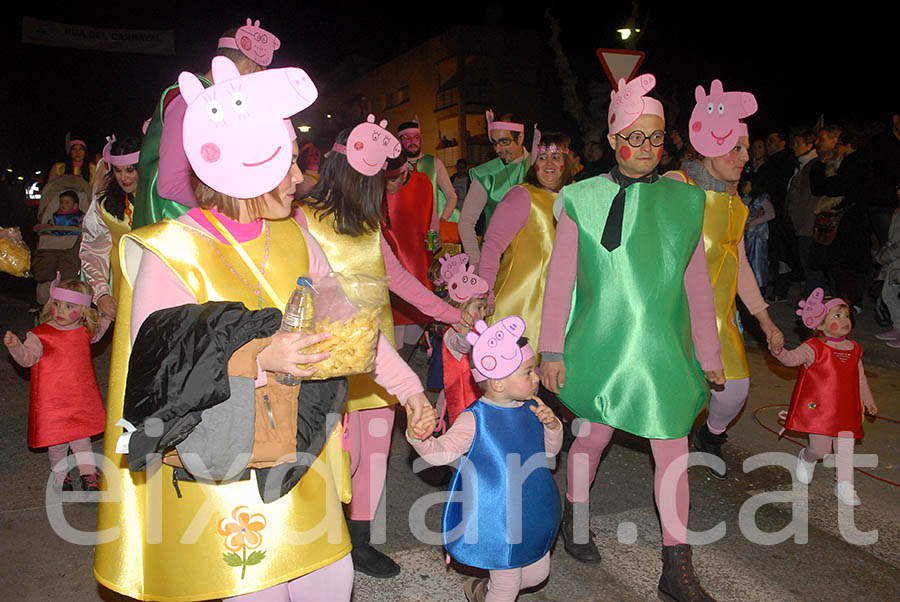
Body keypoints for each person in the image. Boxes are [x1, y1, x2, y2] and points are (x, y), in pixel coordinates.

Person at [93, 56, 428, 602]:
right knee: (258, 591)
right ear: (245, 166)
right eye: (289, 163)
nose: (301, 177)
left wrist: (410, 390)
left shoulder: (297, 237)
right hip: (225, 463)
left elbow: (349, 326)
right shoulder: (173, 251)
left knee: (331, 580)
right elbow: (155, 364)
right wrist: (256, 354)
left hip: (301, 450)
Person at [539, 73, 723, 602]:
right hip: (602, 345)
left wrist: (708, 353)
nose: (646, 148)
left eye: (655, 137)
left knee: (673, 449)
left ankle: (676, 566)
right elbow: (561, 281)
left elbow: (696, 284)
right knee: (592, 436)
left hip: (663, 350)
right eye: (635, 137)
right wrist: (552, 349)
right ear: (615, 140)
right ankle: (575, 513)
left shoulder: (686, 203)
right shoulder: (580, 198)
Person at [293, 122, 460, 578]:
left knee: (375, 453)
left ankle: (360, 541)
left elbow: (401, 280)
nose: (380, 188)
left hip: (378, 358)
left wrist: (448, 312)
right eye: (373, 180)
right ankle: (328, 538)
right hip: (329, 361)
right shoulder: (302, 219)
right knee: (339, 454)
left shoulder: (369, 225)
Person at [668, 80, 784, 480]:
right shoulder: (677, 186)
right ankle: (669, 453)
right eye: (736, 147)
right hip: (673, 312)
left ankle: (710, 437)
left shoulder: (735, 204)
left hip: (719, 315)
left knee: (733, 391)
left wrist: (764, 320)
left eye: (746, 148)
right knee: (679, 393)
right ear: (709, 145)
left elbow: (741, 266)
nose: (745, 156)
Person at [408, 317, 561, 602]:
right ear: (498, 382)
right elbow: (441, 453)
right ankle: (493, 592)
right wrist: (419, 437)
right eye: (528, 372)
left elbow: (550, 452)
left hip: (531, 508)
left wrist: (553, 427)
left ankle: (481, 591)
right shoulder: (475, 419)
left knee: (537, 575)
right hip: (496, 517)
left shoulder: (532, 408)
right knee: (507, 583)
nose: (536, 377)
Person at [133, 19, 281, 228]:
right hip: (172, 228)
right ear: (249, 66)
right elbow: (170, 185)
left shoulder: (214, 101)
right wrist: (229, 210)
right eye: (259, 73)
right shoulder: (189, 99)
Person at [770, 290, 877, 506]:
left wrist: (868, 400)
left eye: (846, 316)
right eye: (836, 316)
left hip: (846, 409)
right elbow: (791, 360)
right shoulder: (813, 348)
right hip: (820, 411)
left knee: (845, 449)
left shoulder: (854, 349)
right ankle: (807, 457)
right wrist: (778, 350)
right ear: (819, 325)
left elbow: (860, 377)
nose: (845, 320)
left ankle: (844, 485)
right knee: (821, 449)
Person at [4, 276, 105, 491]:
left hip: (78, 397)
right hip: (53, 400)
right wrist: (16, 347)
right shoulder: (41, 335)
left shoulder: (84, 331)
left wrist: (107, 315)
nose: (60, 311)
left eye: (70, 306)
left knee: (81, 439)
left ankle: (88, 474)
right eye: (57, 303)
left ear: (84, 311)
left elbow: (99, 333)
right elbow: (27, 359)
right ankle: (60, 475)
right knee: (57, 442)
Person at [479, 128, 572, 353]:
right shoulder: (522, 196)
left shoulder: (572, 198)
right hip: (519, 308)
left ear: (565, 163)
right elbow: (491, 247)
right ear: (534, 164)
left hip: (556, 309)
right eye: (542, 158)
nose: (549, 163)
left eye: (556, 157)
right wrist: (485, 294)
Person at [80, 135, 140, 330]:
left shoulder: (165, 203)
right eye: (118, 170)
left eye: (130, 170)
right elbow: (93, 251)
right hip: (125, 292)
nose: (124, 177)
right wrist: (102, 294)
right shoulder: (104, 206)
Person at [381, 154, 440, 346]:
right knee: (395, 317)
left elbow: (431, 215)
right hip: (390, 260)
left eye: (393, 179)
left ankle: (406, 355)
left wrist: (435, 234)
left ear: (405, 170)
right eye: (385, 180)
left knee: (419, 312)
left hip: (418, 259)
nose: (389, 186)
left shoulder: (423, 182)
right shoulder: (374, 188)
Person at [458, 111, 529, 268]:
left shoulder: (539, 166)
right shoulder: (486, 174)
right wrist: (476, 262)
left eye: (504, 142)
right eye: (495, 143)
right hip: (497, 260)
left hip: (532, 259)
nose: (498, 149)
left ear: (520, 138)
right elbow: (465, 222)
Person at [784, 129, 824, 296]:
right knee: (807, 265)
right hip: (801, 225)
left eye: (799, 143)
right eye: (794, 143)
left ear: (810, 144)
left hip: (808, 224)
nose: (794, 147)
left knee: (811, 266)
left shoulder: (813, 165)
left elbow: (810, 198)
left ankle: (814, 302)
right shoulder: (802, 166)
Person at [397, 118, 458, 222]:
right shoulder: (395, 167)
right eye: (407, 138)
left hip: (434, 225)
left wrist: (444, 218)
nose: (412, 142)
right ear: (400, 141)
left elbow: (451, 196)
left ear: (421, 140)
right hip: (406, 225)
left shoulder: (434, 163)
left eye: (416, 138)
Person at [31, 190, 84, 305]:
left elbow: (85, 225)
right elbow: (48, 225)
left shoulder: (79, 216)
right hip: (52, 244)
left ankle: (68, 300)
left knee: (68, 272)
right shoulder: (55, 216)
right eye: (61, 203)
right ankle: (43, 301)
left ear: (75, 205)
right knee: (44, 270)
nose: (63, 205)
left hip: (71, 244)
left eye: (67, 203)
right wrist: (40, 226)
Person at [874, 182, 900, 347]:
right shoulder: (897, 211)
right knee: (888, 295)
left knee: (892, 295)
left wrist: (887, 255)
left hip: (896, 260)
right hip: (894, 263)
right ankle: (897, 327)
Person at [740, 174, 774, 288]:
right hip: (746, 234)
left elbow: (771, 214)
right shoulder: (744, 198)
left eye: (746, 184)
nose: (743, 187)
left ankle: (759, 285)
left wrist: (752, 223)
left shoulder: (760, 199)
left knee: (757, 261)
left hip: (757, 235)